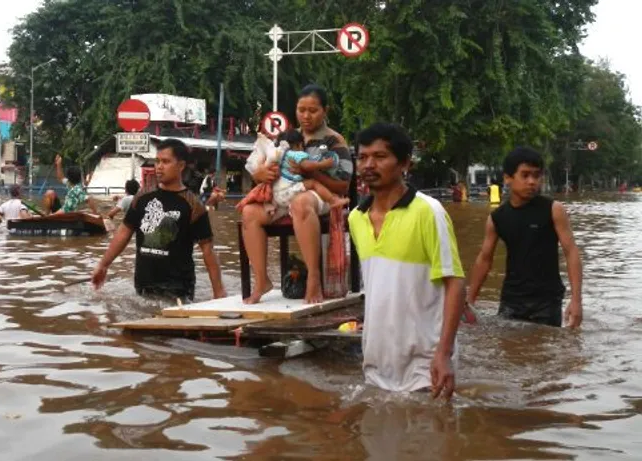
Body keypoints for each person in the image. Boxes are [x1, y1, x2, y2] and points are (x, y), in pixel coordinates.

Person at [347, 123, 465, 399]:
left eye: (379, 157)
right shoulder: (355, 218)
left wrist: (444, 354)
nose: (368, 165)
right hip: (377, 360)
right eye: (362, 157)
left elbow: (455, 283)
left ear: (404, 164)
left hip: (425, 364)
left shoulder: (428, 212)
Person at [241, 84, 354, 304]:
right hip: (284, 194)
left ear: (325, 111)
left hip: (319, 196)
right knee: (249, 212)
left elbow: (343, 186)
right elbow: (267, 165)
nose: (306, 116)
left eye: (313, 110)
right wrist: (262, 174)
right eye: (301, 110)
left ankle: (313, 276)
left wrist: (311, 173)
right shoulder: (286, 138)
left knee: (301, 203)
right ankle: (262, 280)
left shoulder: (334, 141)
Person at [91, 139, 226, 302]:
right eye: (157, 161)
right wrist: (103, 265)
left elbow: (208, 251)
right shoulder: (142, 196)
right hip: (143, 287)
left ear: (181, 166)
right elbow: (123, 233)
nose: (159, 167)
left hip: (178, 291)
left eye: (166, 161)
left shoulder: (194, 206)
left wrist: (219, 293)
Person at [466, 147, 583, 328]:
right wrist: (469, 302)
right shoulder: (497, 218)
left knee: (544, 352)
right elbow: (484, 259)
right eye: (525, 175)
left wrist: (576, 300)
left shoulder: (553, 210)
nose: (532, 182)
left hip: (547, 300)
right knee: (510, 352)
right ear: (508, 178)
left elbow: (571, 252)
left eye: (536, 176)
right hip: (511, 300)